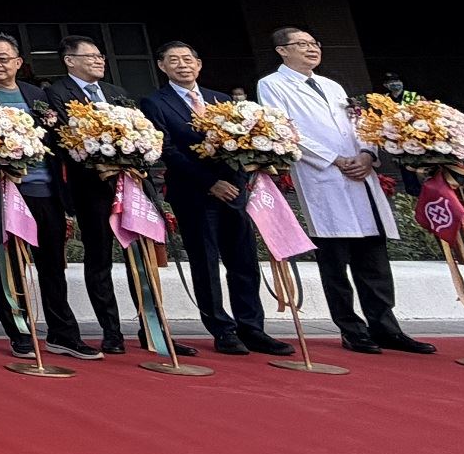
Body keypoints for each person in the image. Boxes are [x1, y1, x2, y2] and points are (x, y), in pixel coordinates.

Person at [256, 28, 434, 356]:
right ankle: (351, 329)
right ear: (282, 50)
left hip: (360, 176)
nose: (311, 49)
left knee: (374, 261)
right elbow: (285, 130)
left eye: (314, 44)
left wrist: (367, 154)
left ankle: (386, 327)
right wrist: (334, 159)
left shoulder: (332, 85)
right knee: (335, 263)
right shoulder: (272, 85)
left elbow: (359, 124)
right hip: (323, 177)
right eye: (302, 45)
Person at [0, 33, 102, 361]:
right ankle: (20, 332)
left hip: (45, 190)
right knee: (11, 264)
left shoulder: (38, 95)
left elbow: (57, 141)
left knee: (53, 264)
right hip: (3, 193)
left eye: (3, 58)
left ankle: (63, 334)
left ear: (18, 62)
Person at [140, 42, 292, 357]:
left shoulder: (221, 100)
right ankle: (222, 329)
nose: (182, 65)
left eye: (188, 59)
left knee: (244, 261)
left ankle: (252, 328)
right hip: (193, 193)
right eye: (173, 60)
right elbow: (167, 150)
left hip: (235, 192)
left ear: (198, 64)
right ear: (162, 66)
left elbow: (244, 143)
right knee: (206, 263)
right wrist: (210, 183)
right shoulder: (154, 103)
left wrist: (245, 175)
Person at [45, 35, 132, 354]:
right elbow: (64, 138)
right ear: (70, 61)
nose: (99, 60)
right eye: (91, 56)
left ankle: (153, 326)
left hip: (129, 184)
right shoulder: (56, 93)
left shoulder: (116, 93)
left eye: (100, 56)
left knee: (139, 256)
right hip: (90, 188)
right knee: (100, 257)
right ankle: (111, 330)